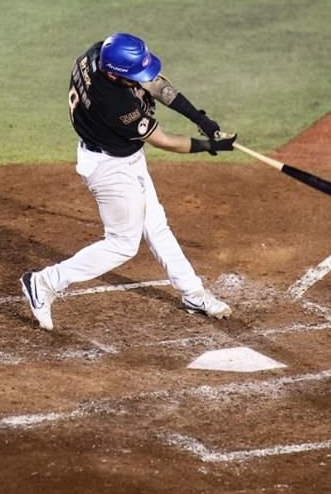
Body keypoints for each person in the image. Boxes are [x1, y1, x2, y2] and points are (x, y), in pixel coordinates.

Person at [20, 33, 236, 331]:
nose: (140, 78)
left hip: (122, 156)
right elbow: (162, 140)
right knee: (122, 244)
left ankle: (192, 292)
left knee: (156, 224)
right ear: (114, 74)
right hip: (110, 168)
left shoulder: (99, 54)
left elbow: (154, 82)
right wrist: (209, 146)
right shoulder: (115, 104)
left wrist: (199, 118)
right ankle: (44, 282)